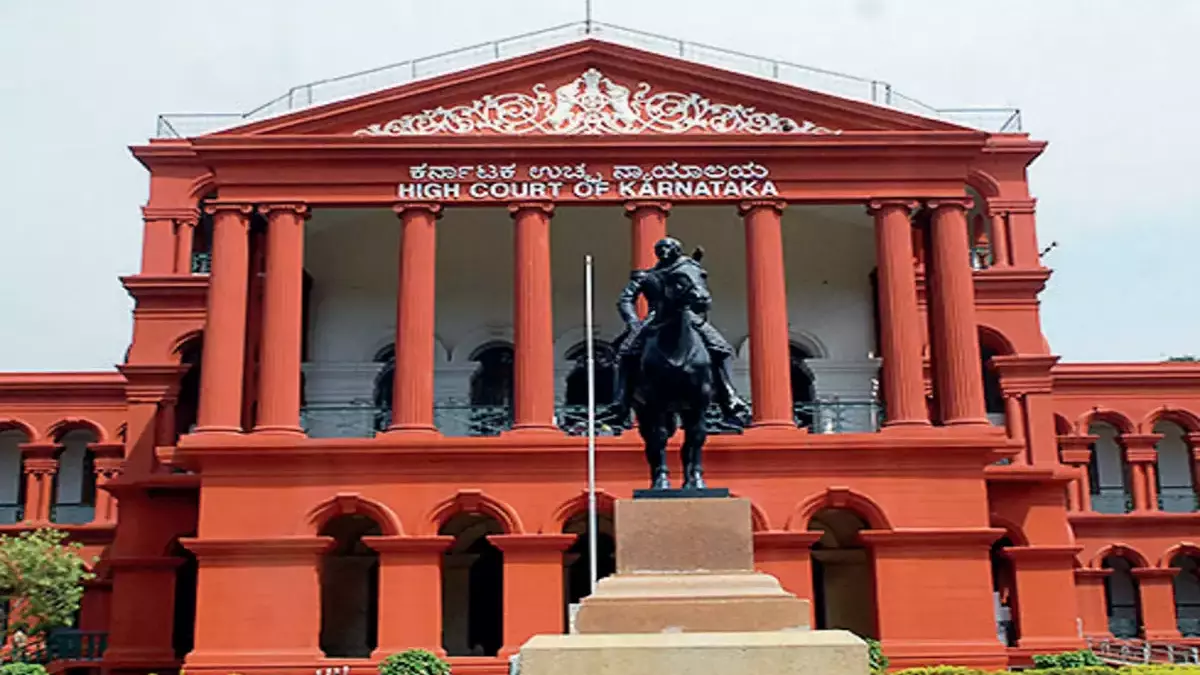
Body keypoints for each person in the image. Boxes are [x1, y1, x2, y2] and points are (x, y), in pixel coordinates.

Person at [608, 237, 750, 427]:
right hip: (654, 317)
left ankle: (730, 398)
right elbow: (625, 300)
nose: (664, 251)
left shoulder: (686, 269)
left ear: (676, 250)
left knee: (721, 348)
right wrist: (633, 321)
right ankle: (621, 402)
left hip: (688, 316)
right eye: (660, 248)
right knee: (625, 353)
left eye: (668, 247)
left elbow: (698, 290)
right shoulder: (646, 276)